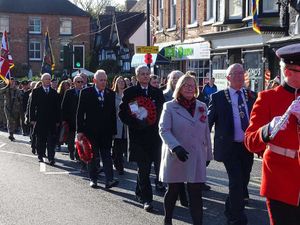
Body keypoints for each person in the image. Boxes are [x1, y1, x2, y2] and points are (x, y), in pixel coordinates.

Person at [244, 43, 300, 225]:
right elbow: (250, 141)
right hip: (280, 182)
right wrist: (268, 130)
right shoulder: (268, 98)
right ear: (288, 71)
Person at [159, 74, 213, 225]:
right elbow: (164, 130)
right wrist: (175, 147)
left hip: (196, 155)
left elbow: (206, 132)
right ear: (179, 88)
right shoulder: (169, 106)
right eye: (186, 85)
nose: (190, 88)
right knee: (173, 190)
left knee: (196, 192)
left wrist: (208, 154)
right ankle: (167, 219)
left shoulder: (202, 106)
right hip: (176, 154)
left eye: (192, 85)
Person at [208, 63, 256, 225]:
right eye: (235, 74)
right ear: (228, 78)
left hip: (247, 146)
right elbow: (208, 122)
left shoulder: (252, 96)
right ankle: (236, 217)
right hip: (229, 147)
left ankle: (231, 208)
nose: (240, 76)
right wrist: (201, 142)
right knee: (235, 182)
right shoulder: (218, 97)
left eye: (242, 73)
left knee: (243, 182)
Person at [119, 65, 165, 211]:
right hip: (138, 137)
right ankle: (147, 199)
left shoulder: (157, 92)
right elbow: (123, 114)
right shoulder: (130, 92)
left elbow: (163, 113)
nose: (145, 76)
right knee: (144, 169)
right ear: (137, 76)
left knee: (152, 167)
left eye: (147, 74)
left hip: (154, 137)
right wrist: (136, 123)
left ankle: (139, 191)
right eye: (142, 74)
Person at [76, 69, 118, 189]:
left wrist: (114, 131)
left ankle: (109, 180)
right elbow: (80, 113)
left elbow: (112, 114)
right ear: (94, 80)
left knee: (107, 156)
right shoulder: (86, 92)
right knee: (92, 157)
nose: (104, 82)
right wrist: (79, 131)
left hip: (106, 132)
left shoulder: (110, 93)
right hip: (90, 131)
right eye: (101, 80)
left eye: (105, 80)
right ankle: (93, 179)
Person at [29, 73, 60, 165]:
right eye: (46, 79)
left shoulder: (54, 93)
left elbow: (58, 108)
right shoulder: (36, 91)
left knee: (51, 141)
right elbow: (32, 106)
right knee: (41, 139)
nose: (48, 81)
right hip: (40, 120)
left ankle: (51, 158)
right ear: (42, 81)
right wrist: (32, 119)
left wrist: (58, 120)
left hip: (51, 121)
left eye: (49, 79)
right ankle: (40, 155)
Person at [61, 75, 84, 160]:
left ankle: (78, 154)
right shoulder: (69, 92)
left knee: (80, 138)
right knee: (71, 138)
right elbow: (64, 107)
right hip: (70, 119)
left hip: (81, 120)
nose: (80, 83)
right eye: (78, 82)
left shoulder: (85, 91)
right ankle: (71, 150)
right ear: (74, 83)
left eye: (81, 82)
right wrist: (63, 119)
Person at [111, 76, 127, 175]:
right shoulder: (113, 95)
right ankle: (118, 164)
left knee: (123, 145)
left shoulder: (128, 94)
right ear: (115, 83)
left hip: (126, 124)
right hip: (116, 123)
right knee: (117, 145)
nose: (121, 83)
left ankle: (118, 162)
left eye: (122, 81)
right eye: (119, 81)